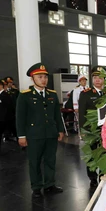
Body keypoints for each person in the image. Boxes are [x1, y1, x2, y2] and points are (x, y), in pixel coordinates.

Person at [16, 63, 65, 198]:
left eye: (45, 77)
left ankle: (50, 184)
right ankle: (36, 186)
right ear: (33, 78)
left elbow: (57, 115)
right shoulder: (25, 95)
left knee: (50, 160)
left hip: (50, 133)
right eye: (40, 77)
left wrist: (60, 130)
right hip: (34, 134)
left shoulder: (52, 94)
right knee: (35, 161)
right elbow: (20, 118)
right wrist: (21, 136)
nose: (43, 80)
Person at [79, 67, 105, 187]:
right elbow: (82, 113)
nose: (97, 80)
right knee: (92, 153)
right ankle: (93, 177)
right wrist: (83, 130)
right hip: (91, 130)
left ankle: (103, 174)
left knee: (104, 153)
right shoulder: (86, 94)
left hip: (105, 130)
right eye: (95, 78)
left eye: (100, 77)